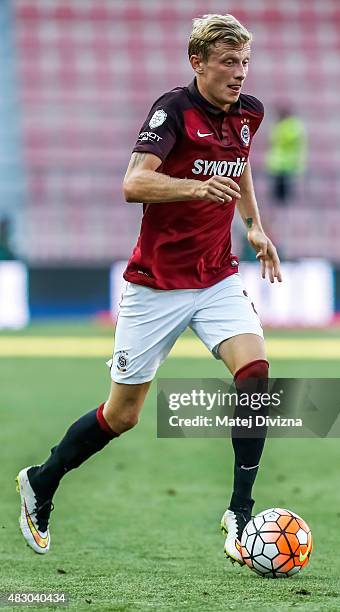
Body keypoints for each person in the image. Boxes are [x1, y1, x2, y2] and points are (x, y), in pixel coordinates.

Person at [16, 14, 281, 566]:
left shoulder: (248, 113)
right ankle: (41, 481)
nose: (239, 73)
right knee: (123, 414)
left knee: (255, 375)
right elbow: (133, 182)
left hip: (216, 277)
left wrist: (253, 225)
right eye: (228, 62)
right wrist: (193, 186)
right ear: (198, 63)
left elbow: (242, 166)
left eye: (244, 62)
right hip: (156, 286)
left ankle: (240, 512)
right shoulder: (173, 110)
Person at [265, 104, 307, 205]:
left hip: (287, 163)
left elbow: (285, 139)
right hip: (278, 163)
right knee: (278, 194)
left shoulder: (290, 125)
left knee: (284, 194)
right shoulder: (281, 125)